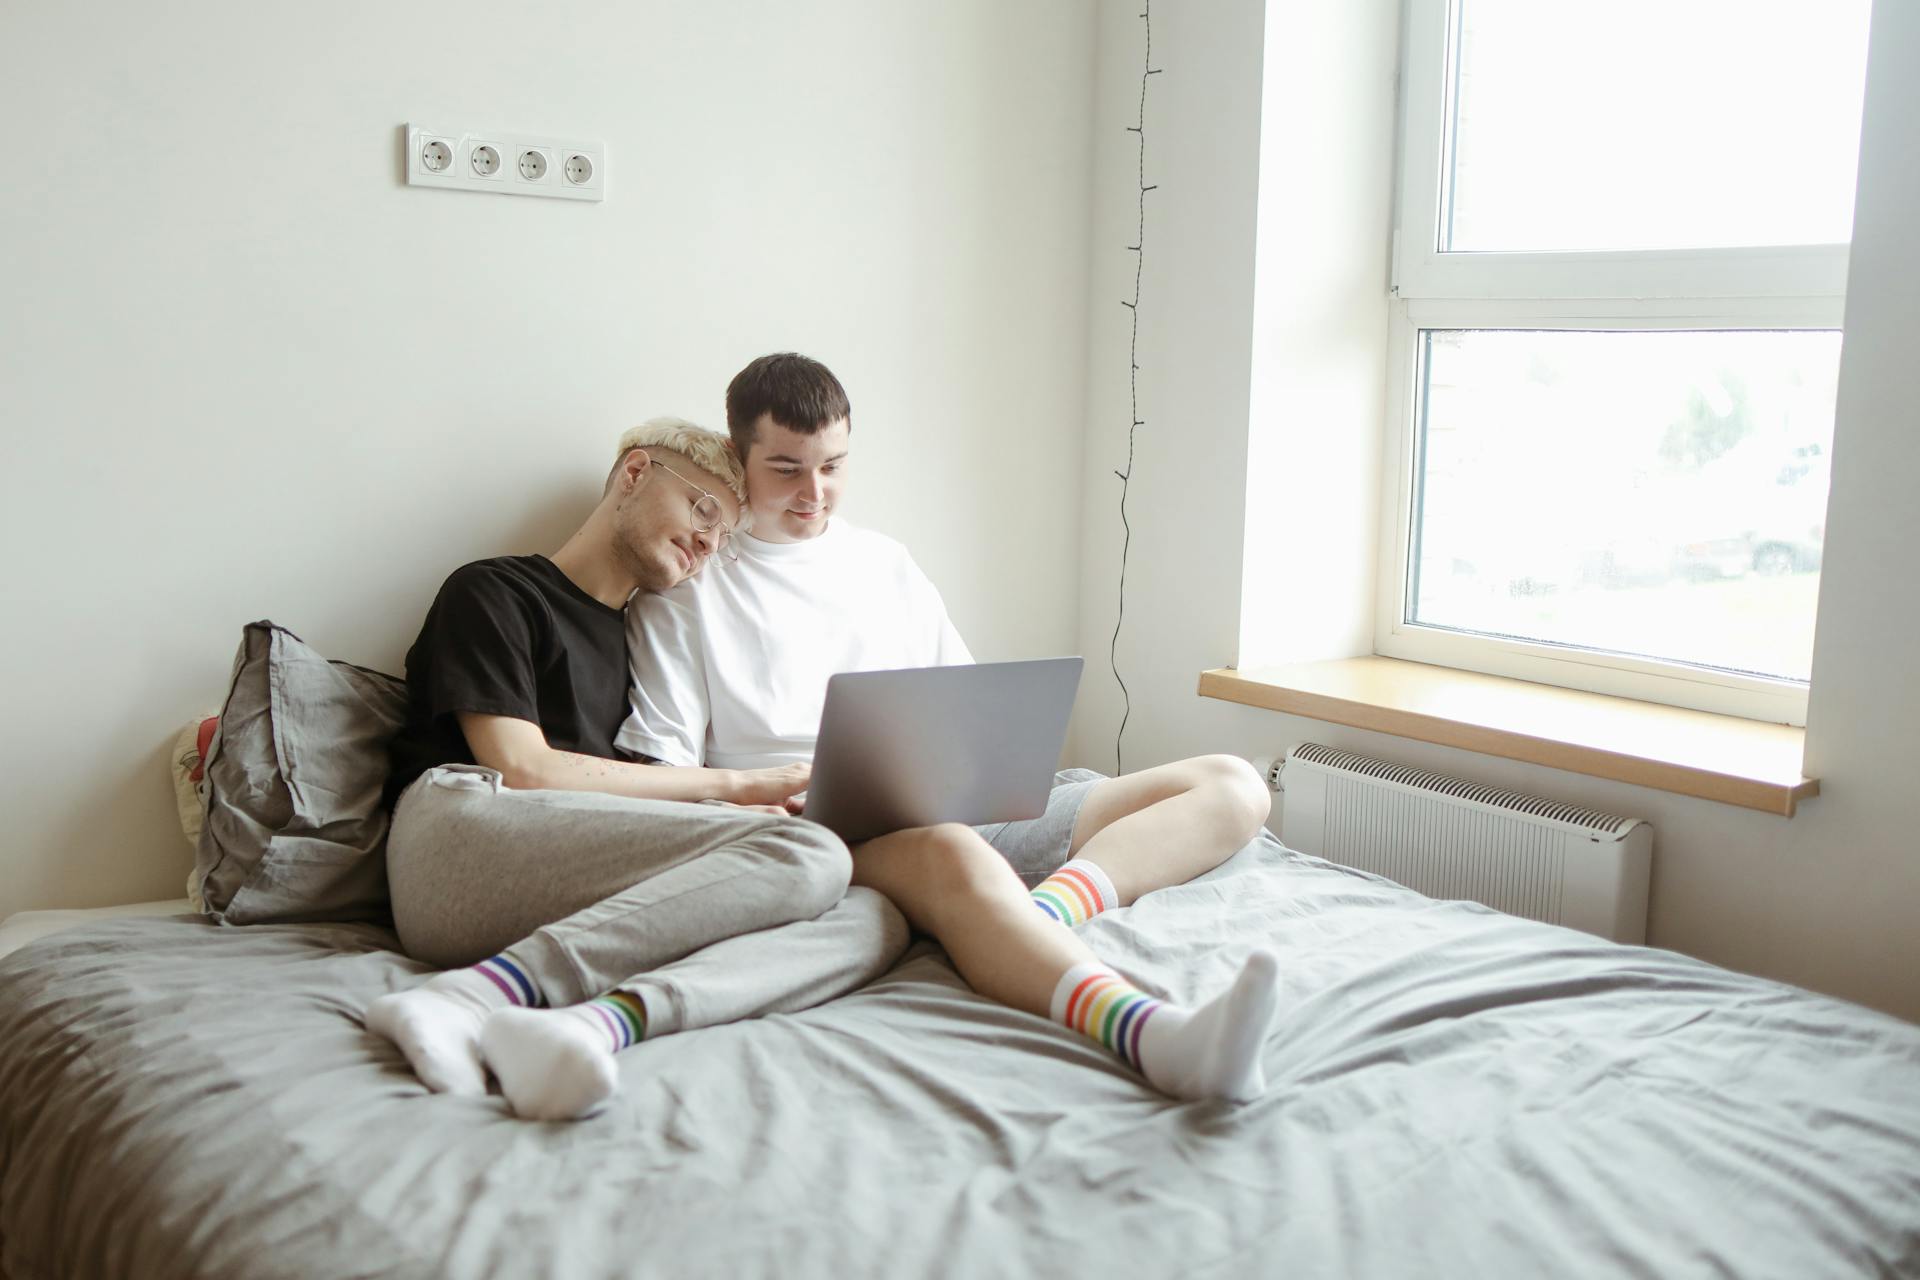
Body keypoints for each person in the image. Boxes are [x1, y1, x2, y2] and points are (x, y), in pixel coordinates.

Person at [619, 353, 1282, 1106]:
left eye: (833, 467)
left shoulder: (883, 562)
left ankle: (1039, 914)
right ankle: (1154, 1034)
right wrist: (752, 805)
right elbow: (663, 772)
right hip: (827, 835)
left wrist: (987, 765)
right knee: (951, 850)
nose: (815, 494)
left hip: (956, 802)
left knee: (1233, 785)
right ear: (739, 460)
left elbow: (966, 701)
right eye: (786, 470)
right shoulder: (690, 585)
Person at [364, 419, 909, 1121]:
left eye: (721, 538)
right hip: (454, 837)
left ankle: (595, 1021)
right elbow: (521, 768)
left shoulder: (647, 649)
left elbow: (629, 799)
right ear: (634, 474)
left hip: (558, 868)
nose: (706, 542)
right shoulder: (496, 591)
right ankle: (462, 998)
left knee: (873, 915)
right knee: (810, 856)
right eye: (702, 510)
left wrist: (736, 824)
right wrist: (735, 788)